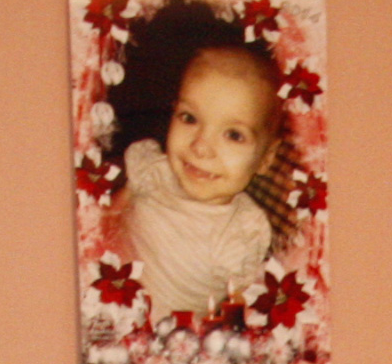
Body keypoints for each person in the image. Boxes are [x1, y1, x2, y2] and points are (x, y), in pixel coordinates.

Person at [116, 41, 283, 317]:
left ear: (266, 158)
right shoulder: (154, 168)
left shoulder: (240, 233)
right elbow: (112, 214)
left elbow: (240, 309)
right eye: (189, 118)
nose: (200, 147)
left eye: (233, 135)